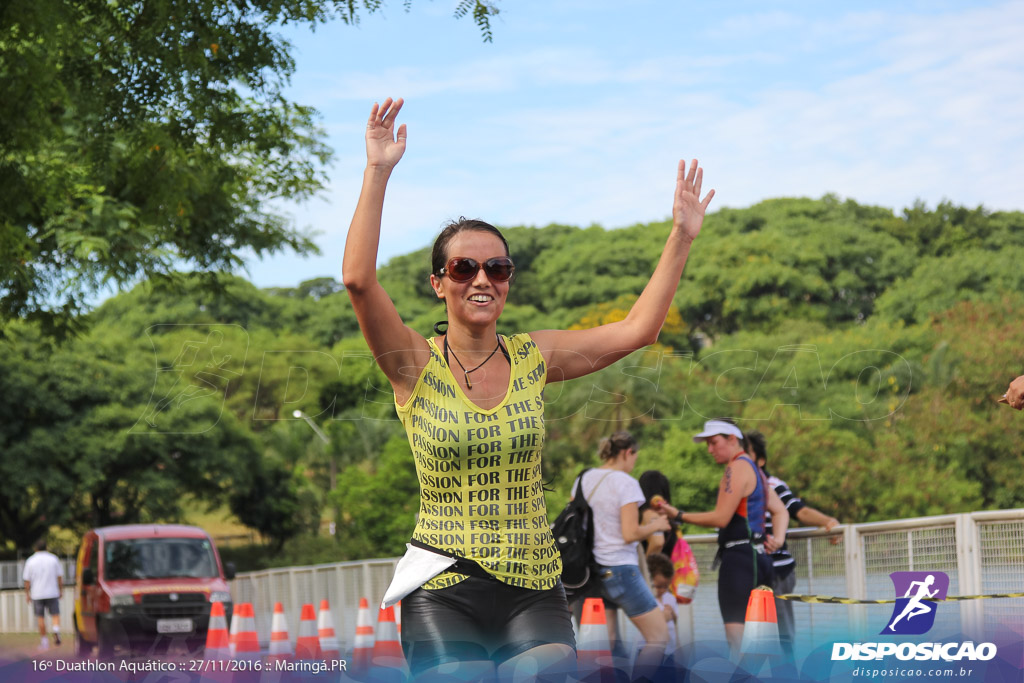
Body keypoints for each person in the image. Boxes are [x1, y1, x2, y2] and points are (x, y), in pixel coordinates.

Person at [342, 97, 715, 680]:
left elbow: (638, 329)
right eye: (464, 269)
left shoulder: (532, 357)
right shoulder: (414, 363)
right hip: (444, 583)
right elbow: (358, 280)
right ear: (439, 283)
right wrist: (378, 171)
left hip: (534, 585)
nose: (482, 279)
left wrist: (681, 236)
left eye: (498, 268)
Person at [655, 419, 788, 658]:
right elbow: (780, 510)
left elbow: (721, 518)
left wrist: (679, 515)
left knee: (737, 637)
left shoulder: (735, 468)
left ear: (732, 439)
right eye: (707, 444)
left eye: (714, 442)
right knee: (763, 639)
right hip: (761, 560)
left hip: (739, 561)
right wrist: (777, 539)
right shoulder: (756, 469)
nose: (709, 450)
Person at [573, 431, 671, 678]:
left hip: (590, 572)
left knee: (609, 641)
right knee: (658, 637)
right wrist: (656, 526)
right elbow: (630, 533)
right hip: (620, 568)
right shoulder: (625, 482)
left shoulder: (583, 478)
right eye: (635, 456)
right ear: (628, 452)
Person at [746, 430, 840, 660]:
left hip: (776, 569)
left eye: (746, 454)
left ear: (760, 460)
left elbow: (799, 511)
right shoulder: (737, 487)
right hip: (750, 569)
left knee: (782, 633)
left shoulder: (772, 484)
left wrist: (828, 522)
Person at [23, 538, 64, 651]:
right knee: (55, 614)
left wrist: (27, 593)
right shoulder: (53, 559)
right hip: (52, 592)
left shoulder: (31, 560)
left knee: (40, 617)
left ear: (36, 548)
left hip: (37, 593)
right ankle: (56, 630)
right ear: (46, 547)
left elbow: (27, 580)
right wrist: (61, 590)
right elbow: (59, 576)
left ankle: (44, 641)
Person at [645, 552, 678, 661]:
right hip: (648, 649)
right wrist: (663, 617)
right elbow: (646, 624)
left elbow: (675, 620)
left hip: (669, 651)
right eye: (658, 586)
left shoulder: (670, 597)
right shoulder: (646, 598)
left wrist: (672, 614)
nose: (662, 590)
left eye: (666, 586)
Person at [639, 470, 677, 558]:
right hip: (668, 568)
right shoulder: (668, 516)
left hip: (655, 569)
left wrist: (646, 568)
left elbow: (657, 542)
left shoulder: (650, 515)